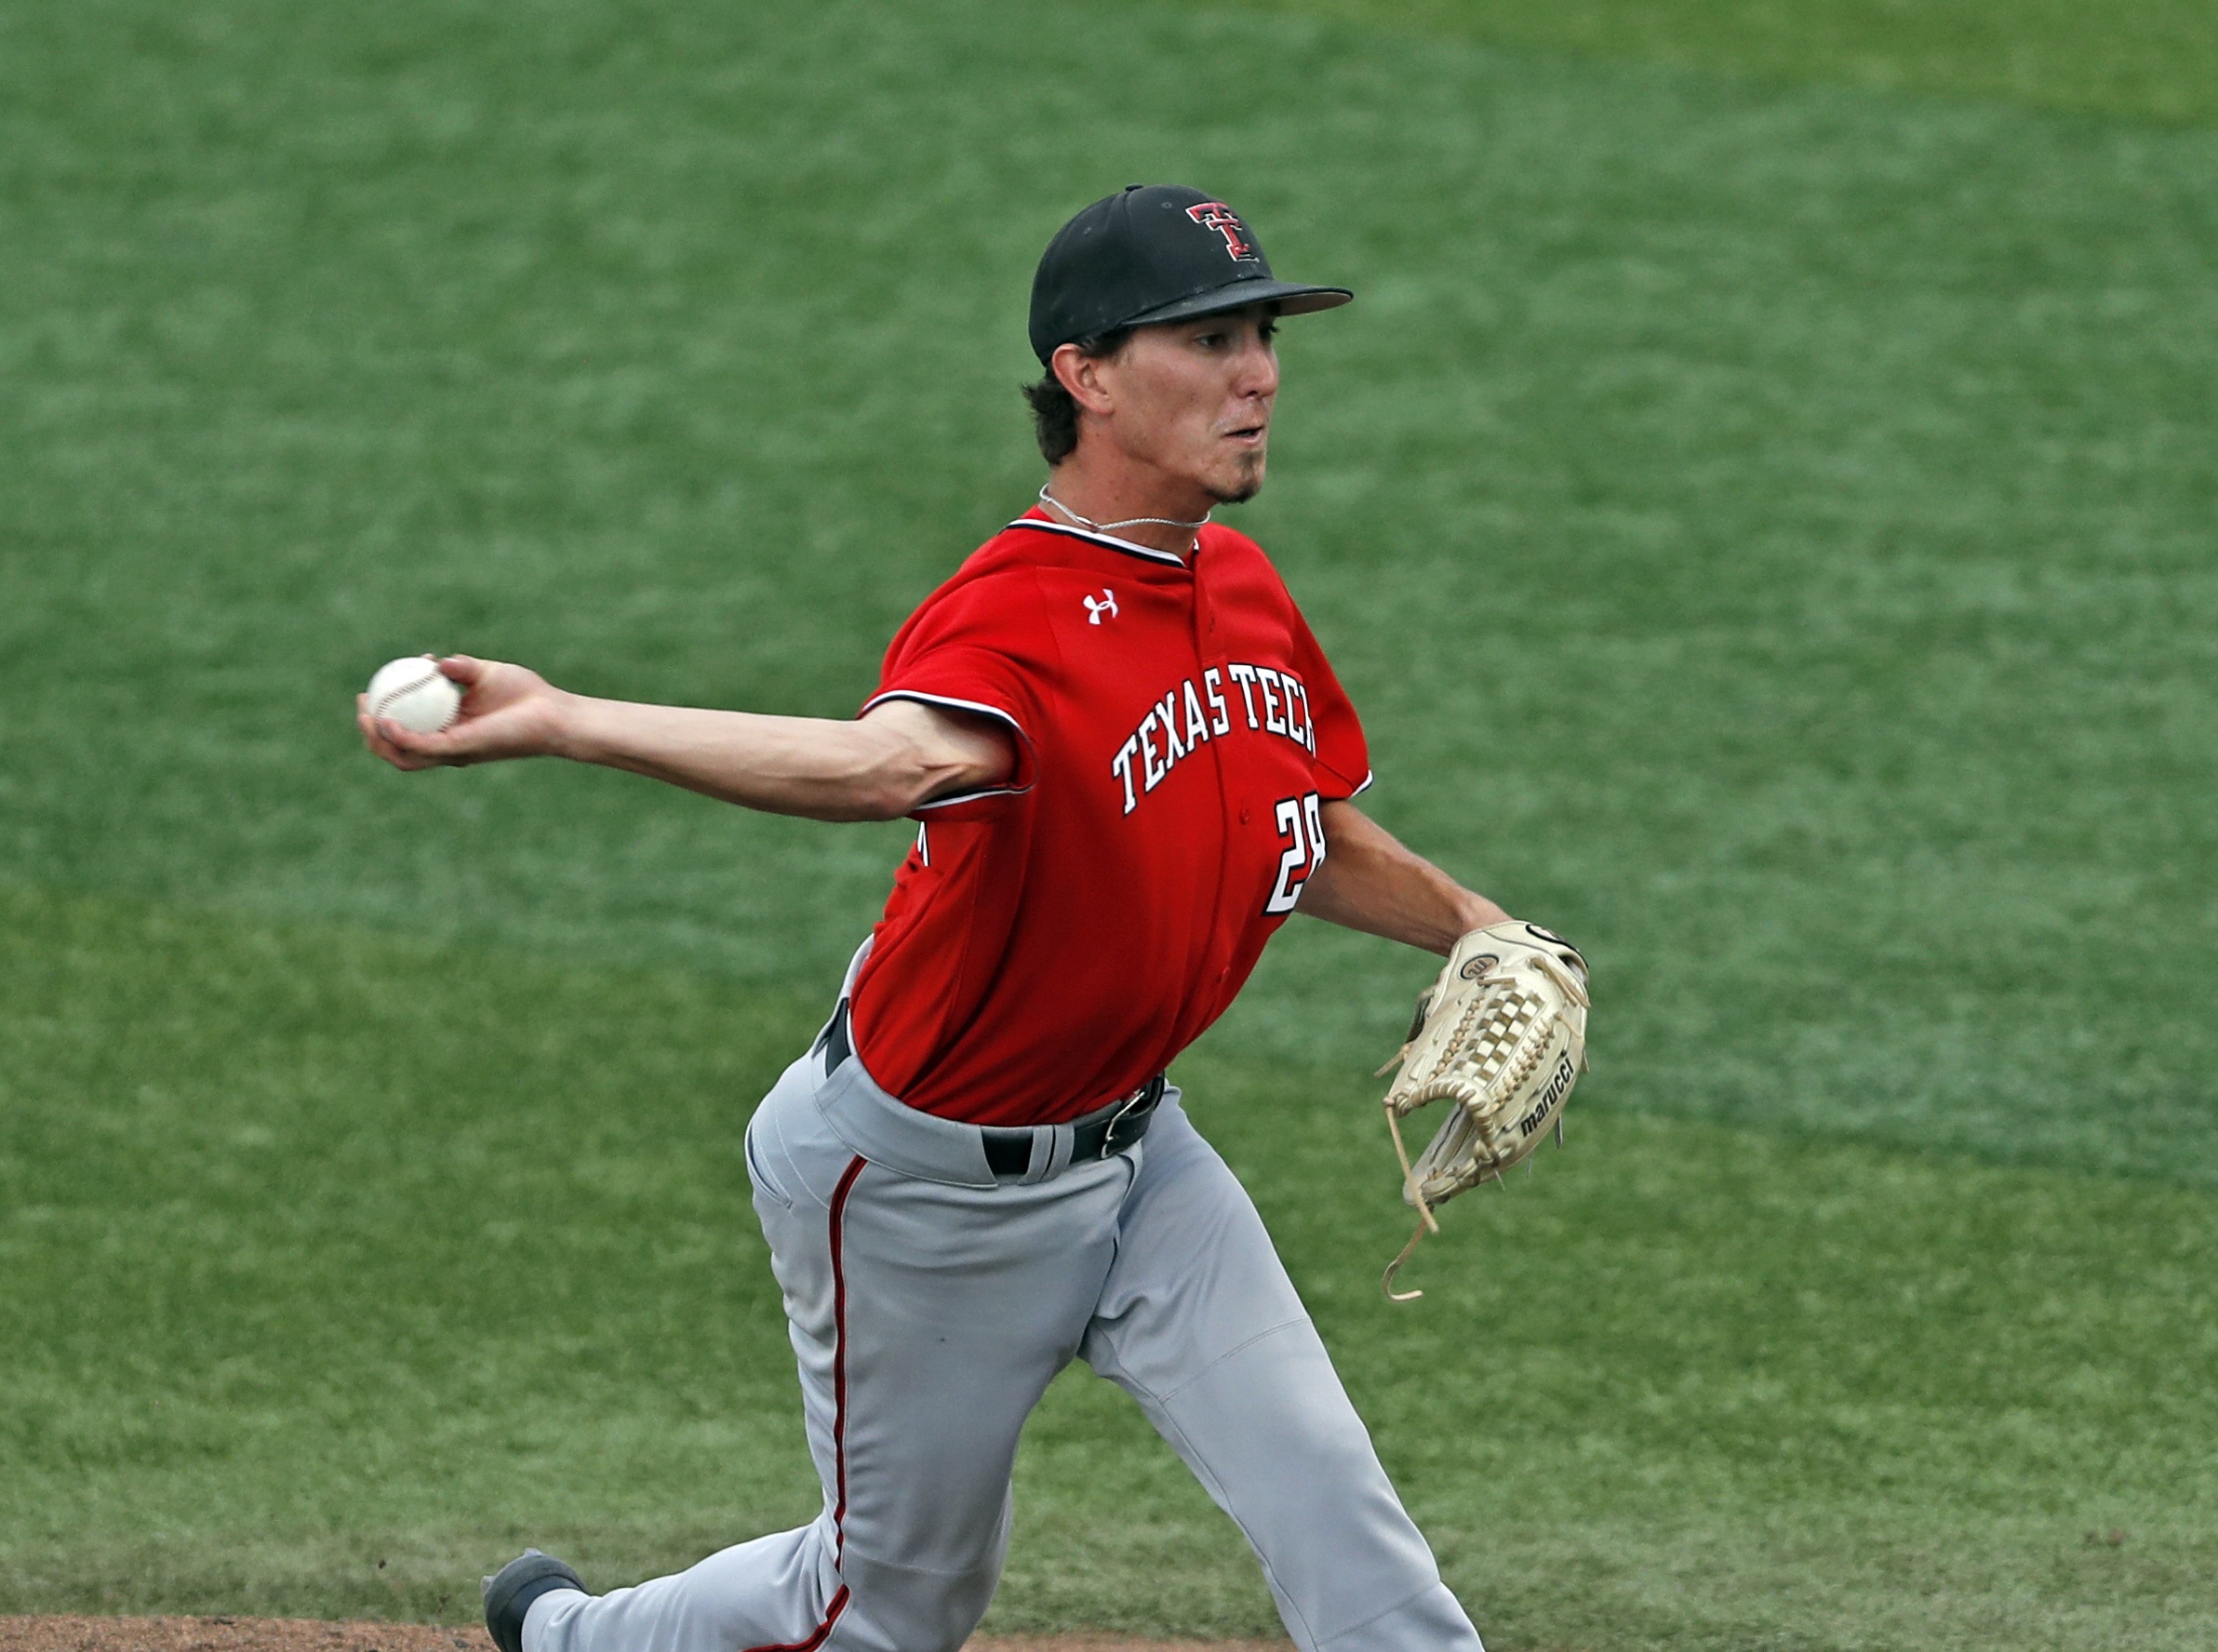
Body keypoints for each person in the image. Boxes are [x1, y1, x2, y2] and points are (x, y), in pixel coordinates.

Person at [362, 184, 1513, 1652]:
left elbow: (1300, 821)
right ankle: (578, 1639)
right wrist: (569, 719)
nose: (1261, 373)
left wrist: (1474, 924)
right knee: (888, 1609)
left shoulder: (1239, 585)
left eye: (1266, 337)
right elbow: (889, 763)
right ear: (1089, 375)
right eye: (1212, 338)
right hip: (923, 1192)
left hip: (1145, 1160)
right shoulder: (1011, 611)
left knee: (1349, 1532)